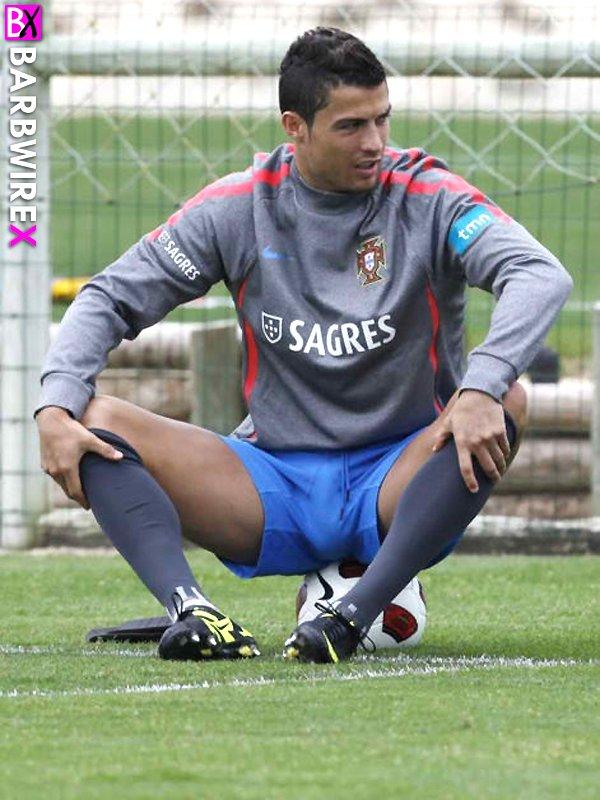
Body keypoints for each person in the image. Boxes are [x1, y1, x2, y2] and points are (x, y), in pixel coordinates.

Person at [35, 27, 572, 664]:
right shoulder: (238, 207)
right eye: (351, 126)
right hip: (271, 486)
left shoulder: (431, 198)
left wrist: (481, 384)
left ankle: (350, 615)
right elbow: (107, 297)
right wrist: (53, 406)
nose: (375, 142)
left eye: (382, 119)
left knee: (508, 396)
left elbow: (538, 274)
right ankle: (193, 611)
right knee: (89, 415)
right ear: (296, 127)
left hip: (399, 479)